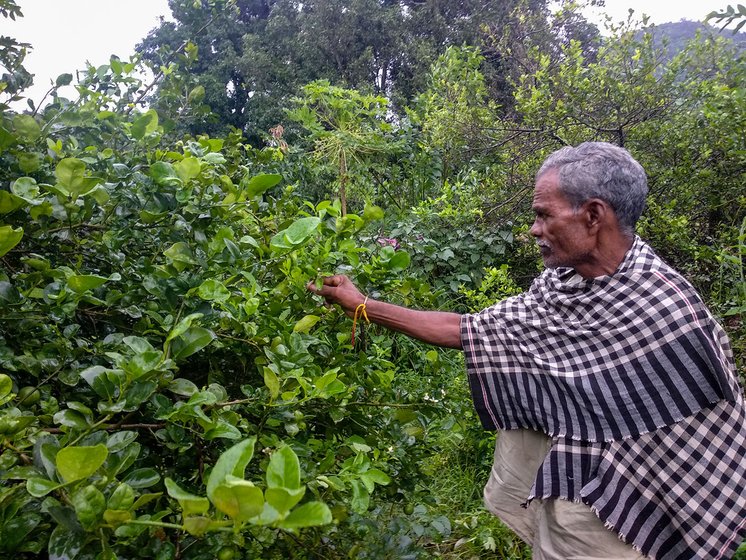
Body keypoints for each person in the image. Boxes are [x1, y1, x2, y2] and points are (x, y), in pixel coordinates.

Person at [308, 142, 746, 560]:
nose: (534, 229)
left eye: (543, 215)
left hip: (633, 514)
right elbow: (469, 331)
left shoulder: (665, 306)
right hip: (571, 497)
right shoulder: (559, 287)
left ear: (593, 215)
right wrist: (363, 305)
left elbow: (707, 429)